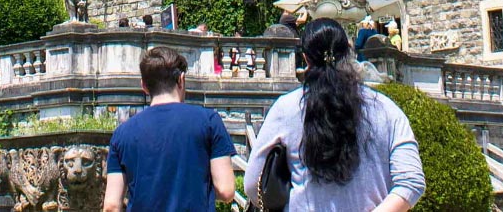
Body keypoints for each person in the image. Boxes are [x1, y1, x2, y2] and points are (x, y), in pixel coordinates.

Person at [245, 20, 424, 212]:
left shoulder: (286, 108)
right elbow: (411, 183)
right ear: (348, 53)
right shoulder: (387, 109)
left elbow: (252, 185)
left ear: (305, 58)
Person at [105, 46, 236, 212]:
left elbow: (111, 206)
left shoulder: (122, 134)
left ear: (144, 86)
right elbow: (226, 190)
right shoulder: (209, 121)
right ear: (181, 79)